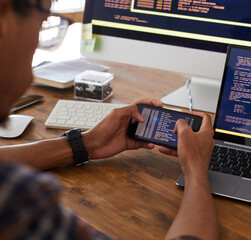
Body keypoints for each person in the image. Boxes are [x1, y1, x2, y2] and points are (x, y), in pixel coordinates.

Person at [0, 0, 218, 239]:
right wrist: (196, 169)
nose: (38, 42)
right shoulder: (18, 200)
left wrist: (87, 144)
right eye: (43, 22)